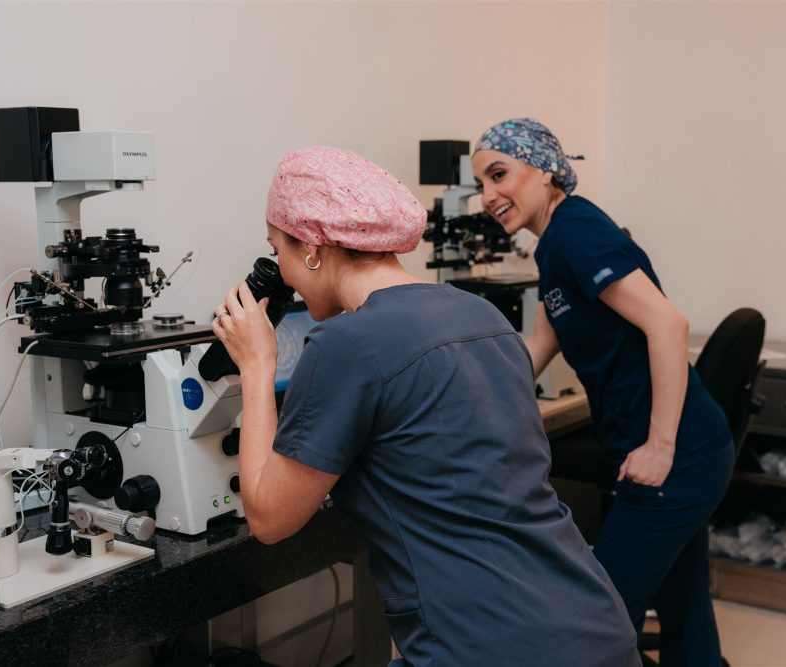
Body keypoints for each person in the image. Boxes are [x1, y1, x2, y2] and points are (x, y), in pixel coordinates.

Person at [212, 146, 640, 666]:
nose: (280, 269)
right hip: (591, 620)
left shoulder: (347, 342)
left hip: (491, 645)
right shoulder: (482, 313)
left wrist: (257, 366)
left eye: (277, 249)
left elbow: (270, 519)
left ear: (312, 247)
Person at [471, 119, 734, 667]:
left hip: (675, 459)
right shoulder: (553, 245)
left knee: (599, 623)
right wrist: (463, 391)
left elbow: (669, 326)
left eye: (499, 174)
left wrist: (660, 447)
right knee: (687, 618)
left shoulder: (576, 232)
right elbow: (541, 344)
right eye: (481, 183)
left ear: (543, 169)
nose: (488, 195)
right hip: (680, 454)